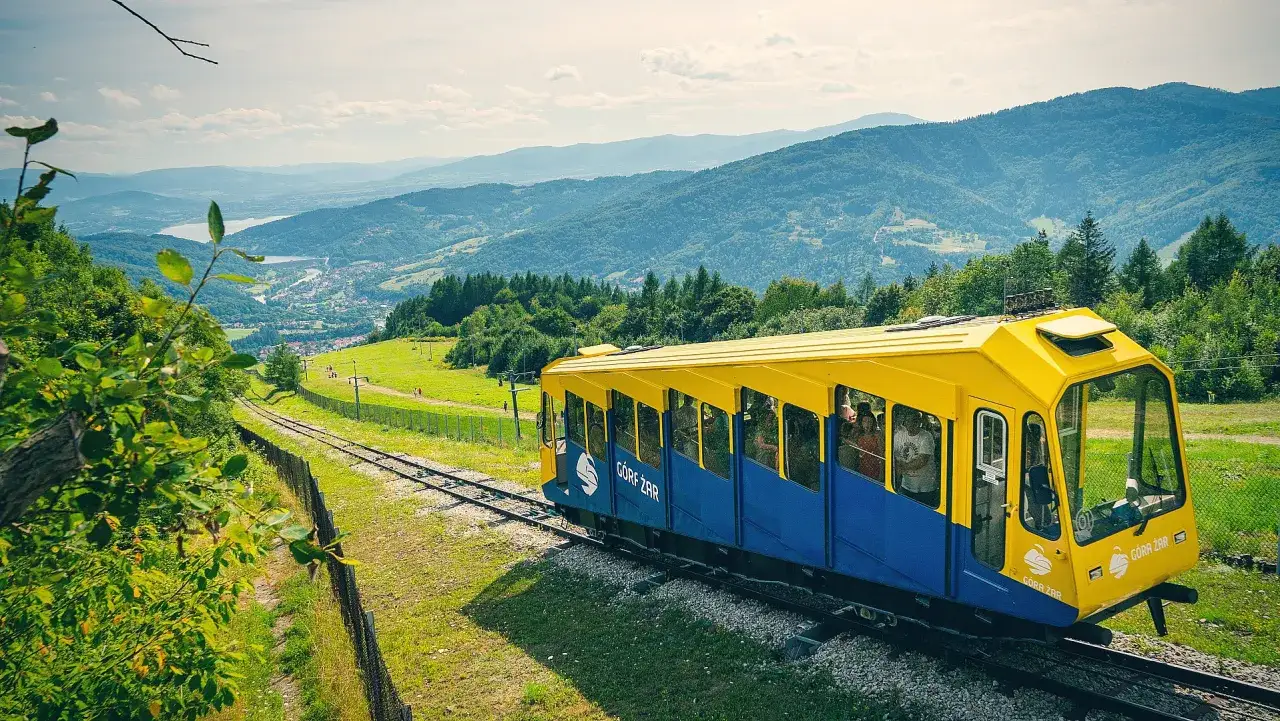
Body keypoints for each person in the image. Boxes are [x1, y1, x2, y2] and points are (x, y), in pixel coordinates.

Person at [894, 409, 938, 507]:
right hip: (906, 486)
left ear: (920, 422)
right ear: (905, 422)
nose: (912, 424)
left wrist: (902, 467)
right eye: (909, 421)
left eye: (915, 421)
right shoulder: (899, 435)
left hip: (925, 488)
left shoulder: (926, 437)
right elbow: (893, 455)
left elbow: (922, 461)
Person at [854, 408, 883, 482]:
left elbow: (882, 455)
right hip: (862, 468)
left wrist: (882, 474)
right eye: (865, 421)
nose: (867, 424)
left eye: (869, 422)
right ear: (861, 423)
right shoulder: (858, 435)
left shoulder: (877, 436)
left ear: (873, 423)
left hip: (876, 469)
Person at [674, 394, 699, 459]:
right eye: (688, 398)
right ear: (685, 399)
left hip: (693, 437)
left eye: (691, 398)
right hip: (687, 438)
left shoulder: (696, 411)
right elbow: (676, 426)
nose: (690, 400)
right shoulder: (678, 412)